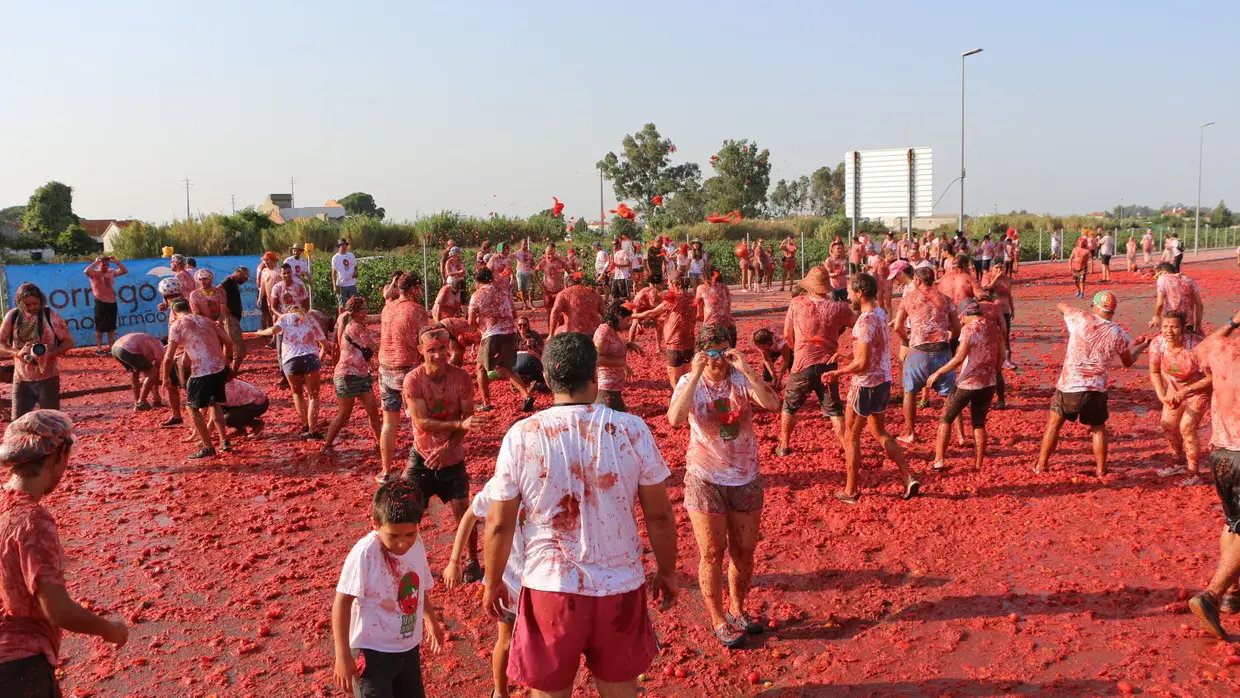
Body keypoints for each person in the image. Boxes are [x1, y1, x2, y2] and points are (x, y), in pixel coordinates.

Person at [482, 332, 679, 698]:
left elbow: (498, 523)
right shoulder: (631, 429)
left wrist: (493, 581)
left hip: (549, 589)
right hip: (619, 586)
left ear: (545, 375)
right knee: (620, 690)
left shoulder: (522, 434)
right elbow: (660, 516)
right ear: (595, 374)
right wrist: (667, 571)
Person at [0, 411, 129, 695]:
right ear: (59, 456)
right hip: (18, 668)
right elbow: (58, 610)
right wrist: (109, 629)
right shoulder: (33, 521)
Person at [668, 324, 779, 649]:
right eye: (711, 353)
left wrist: (745, 367)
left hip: (745, 477)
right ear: (703, 354)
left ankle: (738, 609)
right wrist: (696, 370)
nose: (718, 361)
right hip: (705, 479)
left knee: (744, 551)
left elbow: (771, 404)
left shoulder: (741, 378)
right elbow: (675, 419)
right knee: (712, 553)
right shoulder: (690, 381)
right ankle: (718, 619)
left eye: (723, 352)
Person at [332, 479, 445, 698]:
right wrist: (343, 655)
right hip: (372, 653)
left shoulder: (418, 544)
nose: (403, 543)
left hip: (408, 646)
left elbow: (418, 586)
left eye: (410, 534)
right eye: (393, 536)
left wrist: (430, 619)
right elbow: (342, 602)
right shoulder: (366, 553)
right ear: (375, 523)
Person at [823, 273, 920, 503]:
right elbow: (872, 351)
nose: (846, 295)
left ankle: (851, 490)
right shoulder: (879, 313)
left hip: (865, 384)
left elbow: (862, 363)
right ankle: (908, 476)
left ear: (859, 293)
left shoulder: (864, 321)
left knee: (851, 436)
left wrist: (837, 372)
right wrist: (848, 355)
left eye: (849, 291)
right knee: (879, 432)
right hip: (883, 381)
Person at [1034, 292, 1149, 477]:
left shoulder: (1080, 317)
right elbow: (1128, 362)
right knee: (1098, 428)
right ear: (1112, 311)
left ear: (1095, 306)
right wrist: (1142, 347)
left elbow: (1061, 304)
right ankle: (1101, 469)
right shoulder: (1118, 333)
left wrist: (1069, 307)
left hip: (1069, 386)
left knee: (1054, 424)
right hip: (1096, 389)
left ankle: (1041, 465)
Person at [402, 324, 484, 577]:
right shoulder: (413, 380)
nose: (438, 355)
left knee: (464, 511)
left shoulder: (461, 378)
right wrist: (458, 424)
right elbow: (422, 422)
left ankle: (471, 560)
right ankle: (403, 561)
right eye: (432, 350)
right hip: (422, 456)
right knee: (405, 509)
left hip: (452, 456)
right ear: (421, 351)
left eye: (442, 349)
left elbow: (468, 419)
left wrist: (448, 446)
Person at [1186, 309, 1240, 640]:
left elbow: (1198, 352)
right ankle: (1212, 595)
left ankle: (1232, 595)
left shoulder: (1223, 349)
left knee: (1233, 523)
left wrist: (1233, 322)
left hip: (1221, 453)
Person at [446, 475, 524, 698]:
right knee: (506, 640)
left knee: (542, 645)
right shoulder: (501, 482)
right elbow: (469, 516)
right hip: (508, 579)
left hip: (543, 581)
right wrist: (454, 561)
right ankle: (499, 692)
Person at [777, 267, 855, 455]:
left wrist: (798, 352)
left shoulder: (797, 303)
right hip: (828, 366)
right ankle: (846, 448)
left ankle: (784, 445)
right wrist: (851, 354)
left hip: (802, 365)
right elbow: (861, 328)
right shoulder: (840, 308)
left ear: (810, 286)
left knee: (789, 407)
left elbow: (788, 334)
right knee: (834, 410)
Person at [926, 299, 1004, 471]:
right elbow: (1002, 356)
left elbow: (960, 358)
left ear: (966, 314)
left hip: (968, 383)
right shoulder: (994, 327)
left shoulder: (969, 329)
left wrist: (939, 372)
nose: (960, 321)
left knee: (946, 417)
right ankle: (978, 464)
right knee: (979, 423)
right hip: (988, 383)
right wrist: (993, 372)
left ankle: (939, 460)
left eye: (961, 318)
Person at [892, 267, 960, 444]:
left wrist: (907, 340)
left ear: (917, 281)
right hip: (941, 349)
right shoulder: (945, 299)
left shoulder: (909, 299)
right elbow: (957, 327)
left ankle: (910, 433)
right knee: (951, 395)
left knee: (910, 392)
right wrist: (951, 342)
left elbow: (898, 326)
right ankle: (961, 436)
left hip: (918, 351)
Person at [163, 299, 234, 459]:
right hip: (218, 367)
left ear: (174, 312)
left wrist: (165, 376)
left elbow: (168, 357)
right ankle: (224, 441)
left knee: (192, 408)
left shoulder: (177, 325)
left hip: (202, 371)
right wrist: (226, 361)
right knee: (214, 403)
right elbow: (228, 342)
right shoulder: (206, 320)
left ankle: (208, 447)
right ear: (189, 308)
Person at [1147, 311, 1211, 482]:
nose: (1169, 331)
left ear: (1183, 328)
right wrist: (1162, 395)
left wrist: (1186, 391)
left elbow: (1211, 377)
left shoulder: (1196, 347)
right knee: (1167, 424)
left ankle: (1194, 473)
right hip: (1174, 387)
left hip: (1199, 388)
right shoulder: (1157, 344)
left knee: (1187, 427)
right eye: (1165, 327)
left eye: (1174, 327)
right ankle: (1178, 461)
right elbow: (1154, 371)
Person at [378, 273, 429, 480]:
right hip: (406, 368)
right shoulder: (417, 311)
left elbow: (387, 295)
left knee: (389, 422)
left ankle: (386, 471)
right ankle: (423, 468)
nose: (421, 291)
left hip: (385, 368)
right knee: (418, 420)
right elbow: (424, 342)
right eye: (419, 287)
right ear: (414, 288)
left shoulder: (387, 308)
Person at [257, 297, 330, 438]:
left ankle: (304, 425)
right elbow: (325, 345)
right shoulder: (310, 319)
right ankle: (313, 430)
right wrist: (318, 360)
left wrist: (260, 332)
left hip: (291, 360)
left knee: (297, 394)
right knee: (313, 396)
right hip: (310, 358)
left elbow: (273, 331)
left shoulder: (284, 318)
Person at [0, 283, 74, 420]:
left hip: (48, 376)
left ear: (41, 300)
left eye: (36, 303)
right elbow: (1, 343)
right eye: (27, 305)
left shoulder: (50, 315)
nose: (33, 308)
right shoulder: (13, 316)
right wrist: (16, 353)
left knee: (51, 421)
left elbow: (69, 341)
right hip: (21, 378)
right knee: (18, 423)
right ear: (19, 302)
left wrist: (51, 354)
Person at [470, 268, 534, 413]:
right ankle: (526, 395)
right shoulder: (504, 291)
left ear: (478, 281)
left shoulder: (477, 295)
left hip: (492, 334)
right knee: (508, 368)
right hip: (510, 333)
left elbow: (471, 320)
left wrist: (480, 329)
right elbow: (514, 313)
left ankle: (486, 403)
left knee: (480, 368)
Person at [324, 297, 382, 452]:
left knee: (373, 411)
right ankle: (326, 445)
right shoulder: (356, 328)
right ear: (356, 312)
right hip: (347, 376)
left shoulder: (354, 325)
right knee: (344, 415)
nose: (367, 311)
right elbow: (375, 348)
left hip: (362, 374)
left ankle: (380, 443)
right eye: (364, 308)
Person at [635, 277, 698, 390]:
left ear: (675, 284)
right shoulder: (692, 298)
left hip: (675, 345)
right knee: (685, 381)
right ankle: (689, 405)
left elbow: (652, 313)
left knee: (676, 385)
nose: (667, 286)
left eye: (669, 283)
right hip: (689, 344)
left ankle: (681, 406)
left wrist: (635, 316)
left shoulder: (673, 299)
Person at [593, 302, 642, 411]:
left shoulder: (611, 331)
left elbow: (611, 351)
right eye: (627, 320)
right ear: (619, 317)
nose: (627, 324)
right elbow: (596, 359)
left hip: (613, 387)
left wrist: (628, 345)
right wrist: (622, 363)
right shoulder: (604, 331)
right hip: (606, 387)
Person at [111, 331, 166, 412]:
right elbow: (155, 372)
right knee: (152, 371)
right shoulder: (160, 346)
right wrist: (156, 394)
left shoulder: (150, 341)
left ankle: (137, 401)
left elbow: (147, 372)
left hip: (115, 349)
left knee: (135, 372)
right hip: (127, 348)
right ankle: (141, 402)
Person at [83, 255, 128, 355]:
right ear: (99, 264)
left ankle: (111, 347)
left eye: (107, 265)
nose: (105, 267)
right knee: (100, 327)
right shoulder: (94, 273)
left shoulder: (111, 272)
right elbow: (86, 271)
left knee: (111, 327)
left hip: (112, 302)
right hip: (100, 302)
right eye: (103, 265)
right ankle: (99, 349)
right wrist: (95, 262)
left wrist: (116, 261)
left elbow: (124, 271)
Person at [1149, 263, 1204, 334]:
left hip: (1172, 321)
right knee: (1188, 343)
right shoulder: (1189, 280)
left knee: (1171, 343)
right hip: (1188, 323)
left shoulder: (1163, 278)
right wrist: (1198, 325)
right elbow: (1199, 305)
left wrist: (1157, 316)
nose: (1157, 278)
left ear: (1164, 272)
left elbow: (1160, 303)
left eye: (1157, 276)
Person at [982, 260, 1017, 370]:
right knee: (991, 335)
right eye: (996, 267)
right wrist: (996, 278)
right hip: (992, 311)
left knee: (1005, 334)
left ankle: (1006, 360)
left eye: (1001, 268)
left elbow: (1009, 296)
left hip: (1005, 310)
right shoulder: (987, 276)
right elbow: (985, 289)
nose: (999, 270)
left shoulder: (1006, 279)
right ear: (991, 268)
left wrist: (1012, 309)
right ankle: (990, 359)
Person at [217, 266, 249, 373]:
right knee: (237, 344)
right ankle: (232, 371)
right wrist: (223, 306)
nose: (246, 280)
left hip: (232, 317)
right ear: (240, 274)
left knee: (230, 342)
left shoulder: (232, 282)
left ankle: (229, 369)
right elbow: (218, 290)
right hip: (230, 318)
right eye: (246, 277)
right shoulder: (229, 281)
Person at [695, 268, 736, 347]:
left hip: (711, 330)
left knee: (709, 356)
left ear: (704, 276)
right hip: (729, 329)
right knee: (727, 357)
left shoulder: (701, 288)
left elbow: (699, 314)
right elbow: (728, 307)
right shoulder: (724, 287)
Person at [628, 276, 665, 350]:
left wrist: (650, 318)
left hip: (652, 310)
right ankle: (630, 344)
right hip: (640, 308)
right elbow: (634, 311)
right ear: (649, 298)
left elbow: (661, 310)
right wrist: (638, 322)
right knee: (634, 323)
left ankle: (658, 347)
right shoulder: (640, 296)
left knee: (659, 323)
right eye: (653, 302)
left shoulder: (660, 295)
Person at [514, 316, 547, 392]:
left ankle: (536, 383)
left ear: (528, 325)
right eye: (520, 325)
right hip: (519, 361)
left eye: (524, 325)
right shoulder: (514, 337)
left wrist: (535, 346)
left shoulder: (534, 335)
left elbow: (543, 349)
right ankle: (520, 382)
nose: (522, 327)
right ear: (517, 326)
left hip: (533, 359)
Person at [535, 243, 565, 323]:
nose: (550, 256)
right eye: (548, 254)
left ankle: (561, 332)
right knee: (549, 314)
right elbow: (534, 273)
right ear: (545, 254)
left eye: (552, 254)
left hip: (559, 291)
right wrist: (541, 285)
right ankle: (550, 334)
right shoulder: (543, 262)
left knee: (560, 313)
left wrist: (566, 285)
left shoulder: (560, 262)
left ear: (555, 253)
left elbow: (569, 271)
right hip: (547, 292)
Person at [256, 252, 280, 333]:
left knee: (277, 317)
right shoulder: (264, 271)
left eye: (267, 260)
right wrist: (260, 298)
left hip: (278, 299)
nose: (265, 262)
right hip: (268, 298)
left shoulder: (279, 271)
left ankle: (276, 337)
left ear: (273, 261)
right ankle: (274, 336)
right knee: (271, 316)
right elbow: (263, 285)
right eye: (264, 260)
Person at [331, 238, 359, 308]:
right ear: (339, 246)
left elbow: (355, 266)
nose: (344, 246)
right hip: (341, 285)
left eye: (345, 244)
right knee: (342, 305)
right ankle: (341, 318)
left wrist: (356, 272)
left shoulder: (351, 255)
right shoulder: (335, 258)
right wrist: (334, 286)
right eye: (342, 245)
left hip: (351, 283)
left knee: (353, 304)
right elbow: (334, 272)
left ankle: (351, 319)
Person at [513, 238, 536, 311]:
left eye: (526, 244)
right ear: (521, 245)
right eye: (524, 244)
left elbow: (533, 262)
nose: (525, 245)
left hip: (529, 272)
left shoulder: (530, 253)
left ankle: (531, 304)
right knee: (521, 289)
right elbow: (510, 257)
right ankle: (525, 304)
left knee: (530, 289)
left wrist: (534, 266)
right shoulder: (517, 253)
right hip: (520, 272)